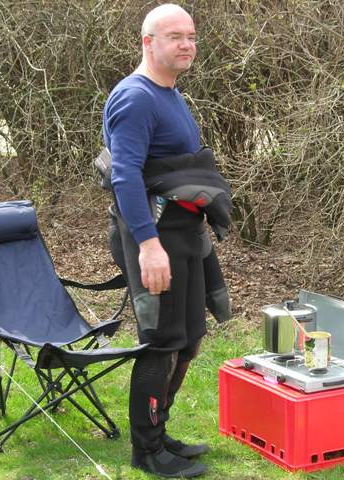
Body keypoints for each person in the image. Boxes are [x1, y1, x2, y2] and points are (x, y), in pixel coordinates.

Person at [102, 4, 230, 478]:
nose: (187, 44)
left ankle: (160, 433)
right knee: (162, 343)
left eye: (191, 36)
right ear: (148, 42)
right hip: (155, 237)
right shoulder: (136, 98)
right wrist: (148, 245)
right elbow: (125, 176)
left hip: (183, 234)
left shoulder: (169, 93)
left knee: (189, 340)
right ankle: (147, 451)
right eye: (175, 36)